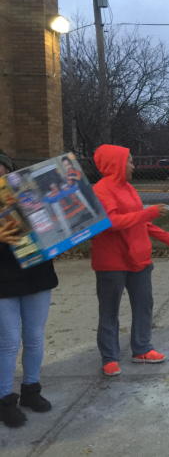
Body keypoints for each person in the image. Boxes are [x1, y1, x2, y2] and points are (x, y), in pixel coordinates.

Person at [91, 145, 169, 377]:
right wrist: (148, 212)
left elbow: (138, 221)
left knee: (144, 305)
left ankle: (142, 348)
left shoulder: (129, 188)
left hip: (140, 258)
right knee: (109, 311)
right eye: (130, 161)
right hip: (112, 261)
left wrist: (167, 237)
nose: (133, 165)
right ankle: (110, 357)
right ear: (116, 164)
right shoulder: (101, 189)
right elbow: (111, 222)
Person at [0, 151, 57, 428]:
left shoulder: (31, 197)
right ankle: (4, 401)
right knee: (8, 342)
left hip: (36, 275)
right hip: (2, 283)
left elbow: (55, 229)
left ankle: (31, 391)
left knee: (34, 337)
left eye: (2, 172)